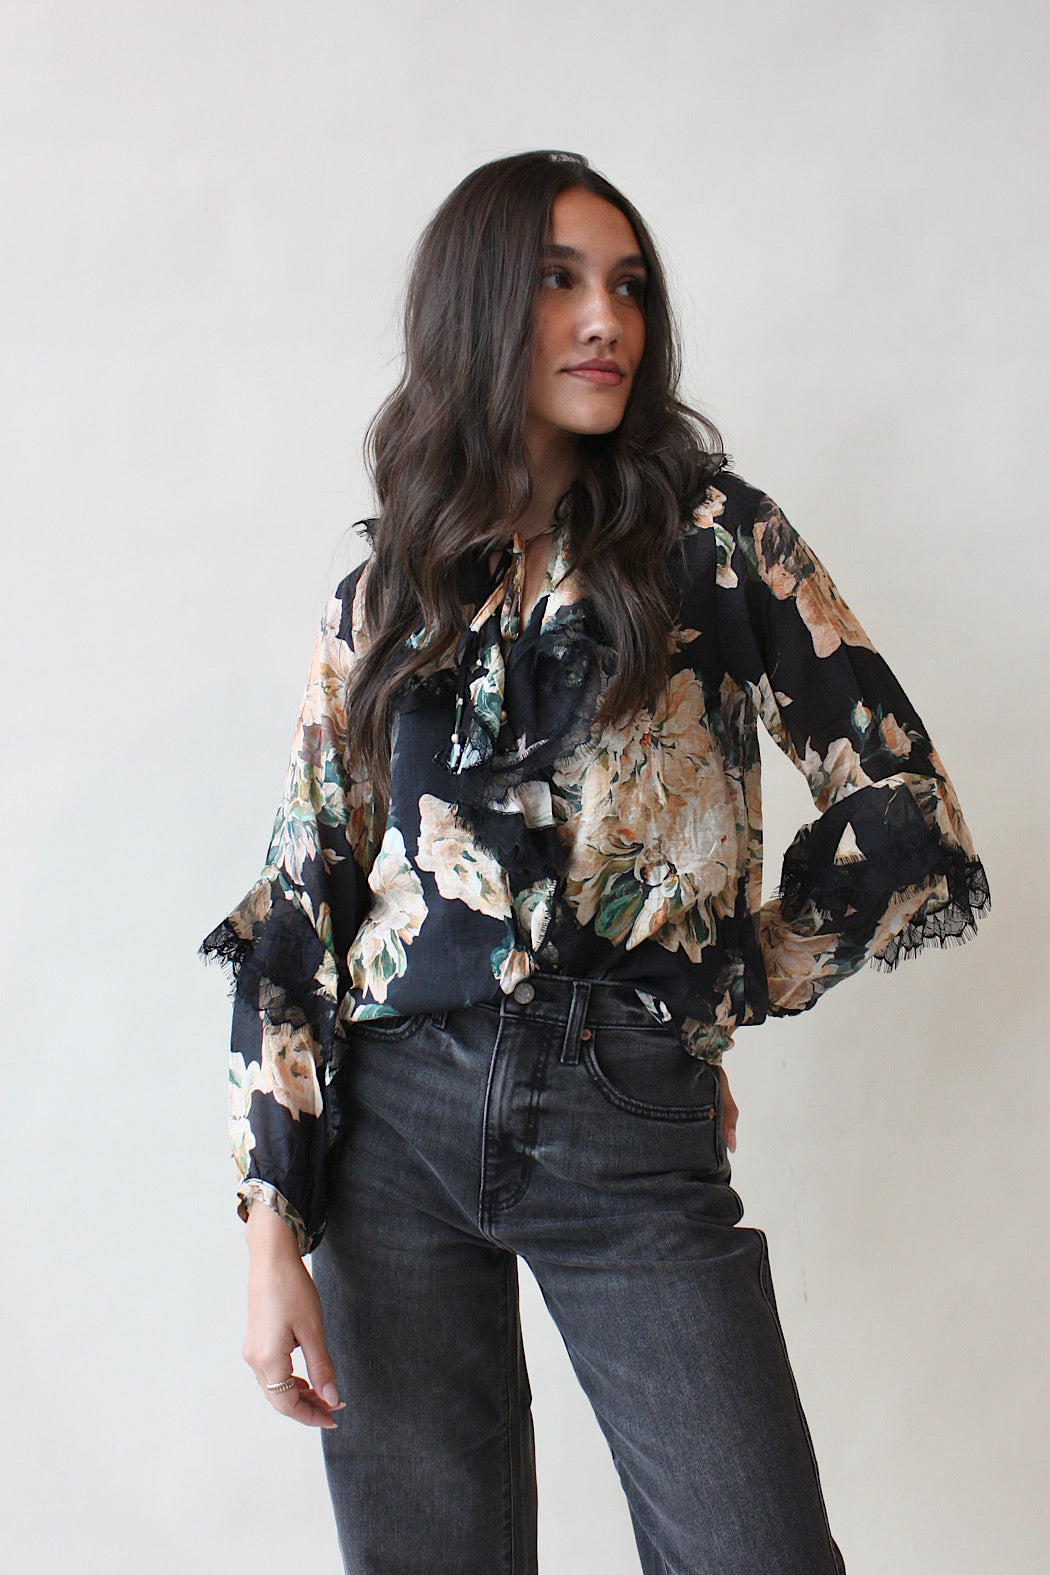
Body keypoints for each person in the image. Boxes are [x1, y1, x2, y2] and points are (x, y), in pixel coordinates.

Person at [201, 150, 989, 1575]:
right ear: (475, 309)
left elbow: (900, 805)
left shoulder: (715, 540)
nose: (604, 319)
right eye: (558, 283)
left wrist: (718, 985)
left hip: (620, 1106)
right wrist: (272, 1234)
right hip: (388, 1134)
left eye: (626, 287)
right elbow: (301, 906)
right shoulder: (387, 591)